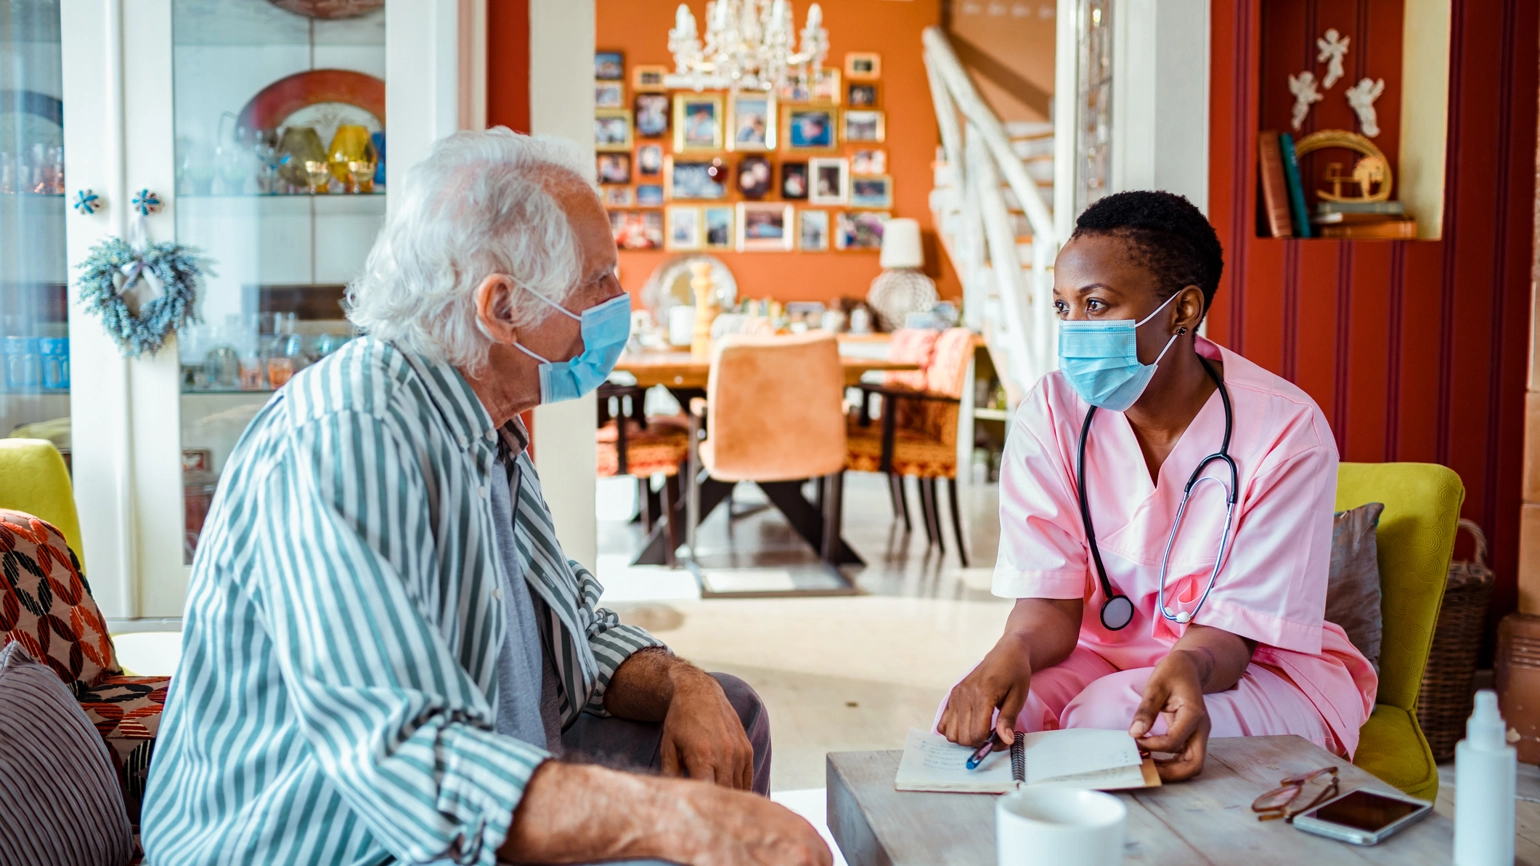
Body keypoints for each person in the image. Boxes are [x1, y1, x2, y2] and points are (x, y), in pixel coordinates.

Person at [141, 129, 830, 866]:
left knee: (730, 712)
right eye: (599, 281)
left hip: (479, 765)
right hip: (343, 837)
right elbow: (403, 757)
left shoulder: (486, 424)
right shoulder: (353, 436)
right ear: (501, 307)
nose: (619, 303)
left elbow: (568, 625)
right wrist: (680, 821)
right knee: (697, 815)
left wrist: (682, 683)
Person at [936, 191, 1376, 782]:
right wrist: (1011, 649)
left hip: (1254, 667)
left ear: (1182, 310)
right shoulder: (1051, 412)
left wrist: (1187, 664)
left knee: (1111, 721)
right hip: (1098, 654)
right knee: (981, 715)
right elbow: (1050, 604)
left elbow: (1232, 637)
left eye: (1097, 305)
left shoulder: (1286, 430)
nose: (1073, 330)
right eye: (1063, 307)